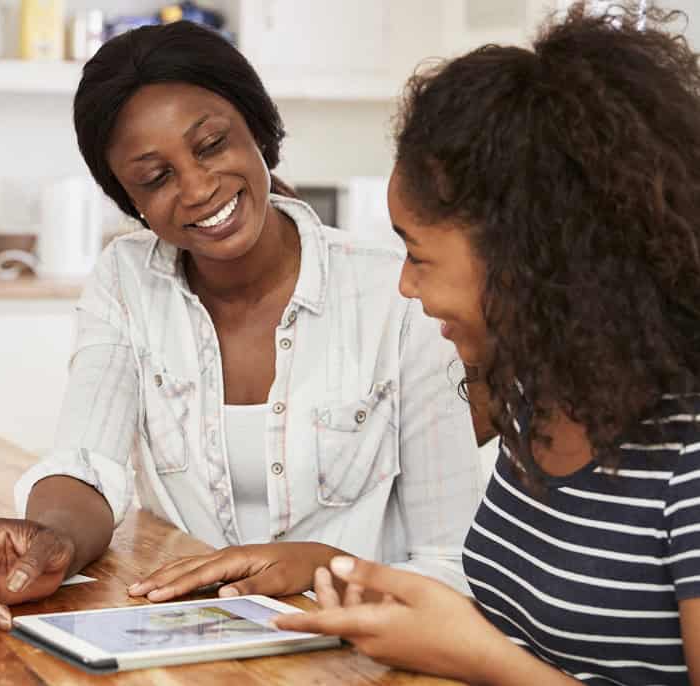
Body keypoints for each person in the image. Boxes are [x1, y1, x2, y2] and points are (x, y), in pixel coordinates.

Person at [0, 20, 483, 632]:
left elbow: (451, 566)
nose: (198, 188)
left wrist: (321, 568)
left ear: (256, 128)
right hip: (182, 642)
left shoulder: (396, 293)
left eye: (210, 145)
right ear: (130, 201)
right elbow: (88, 462)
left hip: (362, 651)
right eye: (156, 178)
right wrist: (51, 539)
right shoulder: (127, 280)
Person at [275, 4, 700, 684]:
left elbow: (508, 659)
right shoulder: (539, 396)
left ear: (525, 255)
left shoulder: (687, 456)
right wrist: (399, 603)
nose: (407, 288)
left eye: (418, 256)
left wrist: (480, 658)